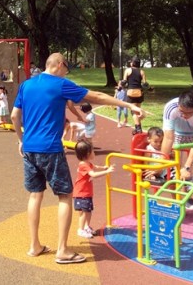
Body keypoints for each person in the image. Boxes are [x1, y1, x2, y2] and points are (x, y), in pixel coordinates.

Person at [11, 52, 143, 264]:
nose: (66, 72)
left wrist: (21, 140)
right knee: (65, 196)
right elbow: (96, 96)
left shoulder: (26, 85)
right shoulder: (60, 84)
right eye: (66, 68)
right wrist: (129, 105)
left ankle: (34, 245)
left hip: (29, 149)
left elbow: (14, 116)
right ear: (59, 64)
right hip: (51, 148)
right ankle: (62, 250)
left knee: (35, 195)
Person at [73, 140, 114, 238]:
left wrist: (103, 167)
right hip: (81, 193)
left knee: (88, 211)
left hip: (86, 193)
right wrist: (107, 172)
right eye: (93, 151)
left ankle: (86, 227)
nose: (94, 153)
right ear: (88, 153)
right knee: (83, 212)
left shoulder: (87, 163)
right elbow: (93, 174)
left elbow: (95, 167)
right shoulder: (83, 165)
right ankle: (81, 229)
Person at [123, 57, 147, 134]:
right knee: (138, 110)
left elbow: (124, 82)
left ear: (132, 63)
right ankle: (138, 128)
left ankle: (138, 128)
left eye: (131, 62)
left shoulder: (128, 70)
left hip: (131, 92)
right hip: (139, 93)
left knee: (133, 111)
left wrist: (121, 86)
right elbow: (145, 84)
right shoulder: (142, 71)